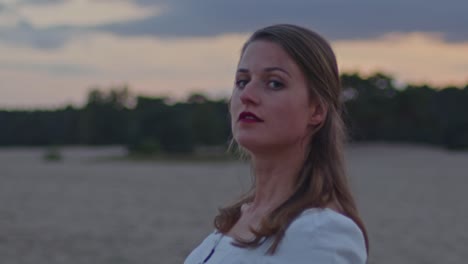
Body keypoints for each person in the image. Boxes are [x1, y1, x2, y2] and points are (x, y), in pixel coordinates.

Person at [184, 24, 369, 264]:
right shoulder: (234, 221)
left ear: (316, 110)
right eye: (242, 81)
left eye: (274, 83)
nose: (247, 95)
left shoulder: (323, 232)